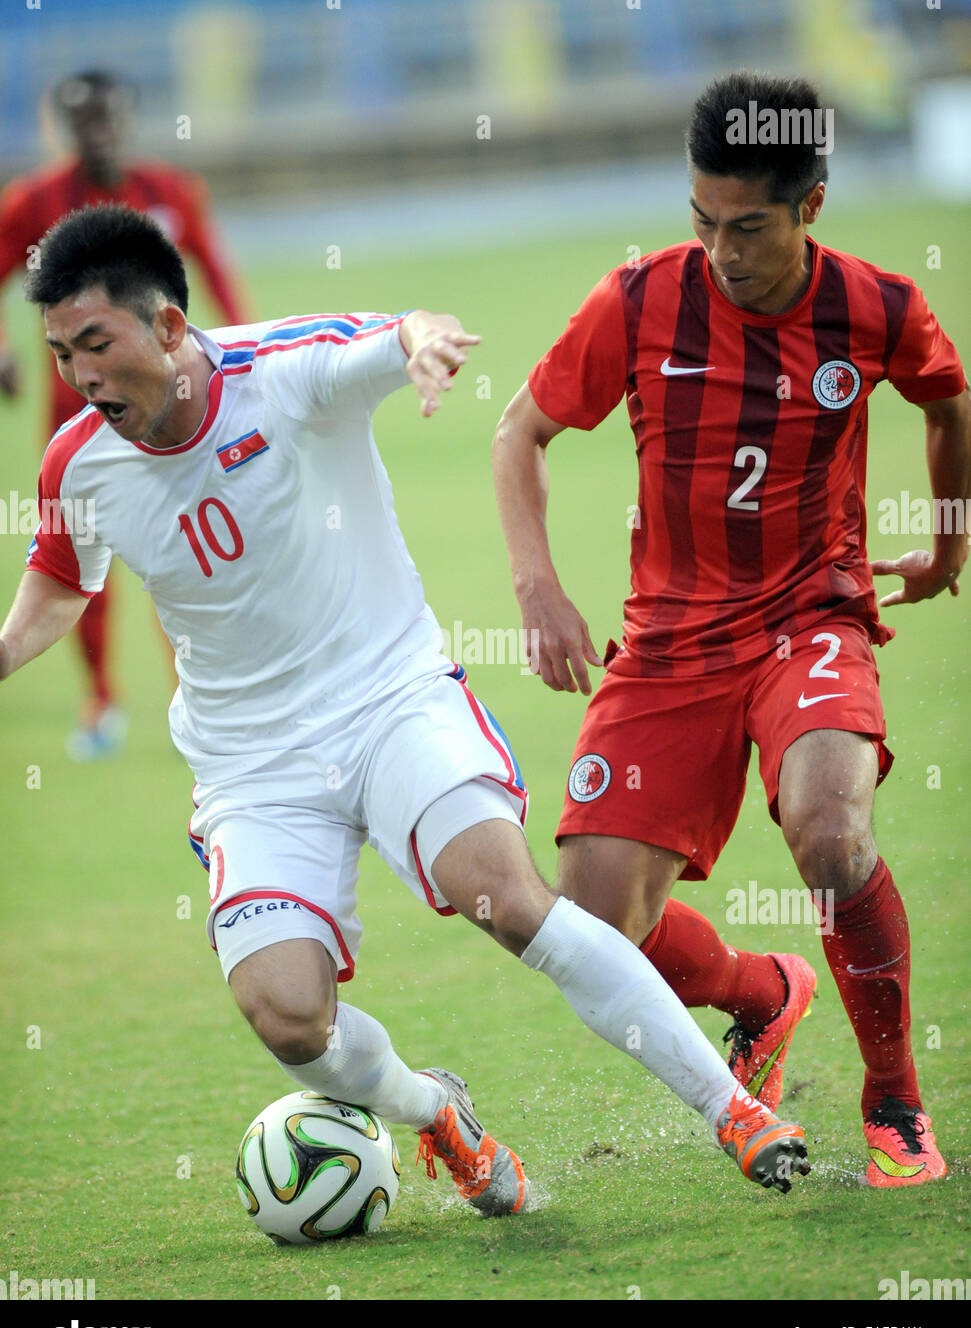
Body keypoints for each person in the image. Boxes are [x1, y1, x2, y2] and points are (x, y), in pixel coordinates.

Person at [0, 204, 811, 1218]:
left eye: (95, 344)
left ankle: (729, 1109)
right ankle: (435, 1113)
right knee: (289, 1018)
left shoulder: (282, 372)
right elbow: (60, 587)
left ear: (166, 328)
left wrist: (423, 344)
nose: (78, 375)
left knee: (506, 898)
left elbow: (390, 334)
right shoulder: (78, 462)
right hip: (250, 768)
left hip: (387, 699)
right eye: (60, 353)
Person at [492, 71, 968, 1189]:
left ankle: (893, 1097)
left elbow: (946, 404)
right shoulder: (640, 298)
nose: (717, 249)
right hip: (667, 641)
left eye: (745, 227)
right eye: (700, 221)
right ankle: (763, 991)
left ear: (810, 205)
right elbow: (519, 432)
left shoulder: (879, 307)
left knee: (827, 831)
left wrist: (947, 546)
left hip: (810, 614)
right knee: (591, 925)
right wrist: (534, 585)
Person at [0, 70, 248, 758]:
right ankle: (101, 697)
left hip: (175, 413)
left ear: (127, 118)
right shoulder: (32, 204)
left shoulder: (171, 194)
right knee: (79, 563)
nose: (98, 133)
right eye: (83, 122)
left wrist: (251, 356)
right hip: (76, 422)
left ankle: (198, 694)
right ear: (65, 129)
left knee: (188, 550)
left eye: (108, 118)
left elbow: (220, 274)